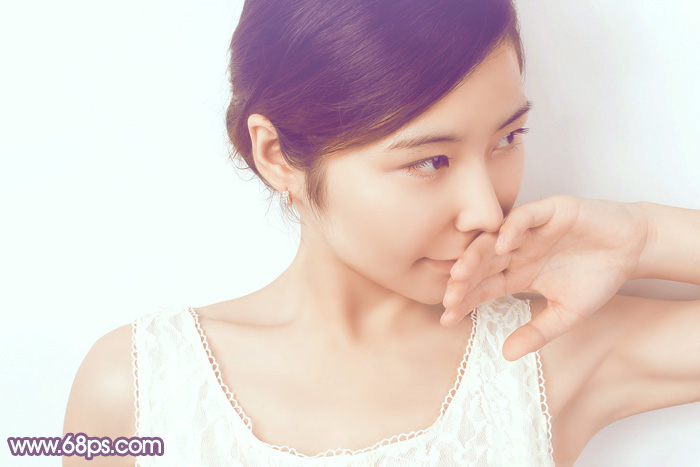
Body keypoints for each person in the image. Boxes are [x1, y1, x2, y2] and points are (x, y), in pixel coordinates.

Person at [62, 0, 700, 465]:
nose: (487, 210)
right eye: (431, 160)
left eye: (508, 138)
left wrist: (643, 237)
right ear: (277, 155)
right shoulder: (142, 385)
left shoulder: (540, 355)